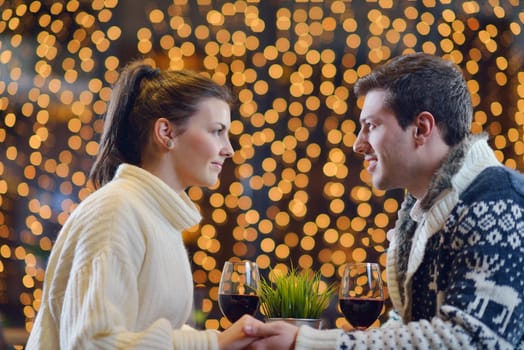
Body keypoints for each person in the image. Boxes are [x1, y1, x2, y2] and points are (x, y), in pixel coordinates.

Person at [244, 52, 524, 349]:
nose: (357, 143)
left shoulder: (499, 203)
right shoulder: (426, 213)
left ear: (421, 128)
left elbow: (473, 340)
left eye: (371, 125)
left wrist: (312, 343)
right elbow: (410, 328)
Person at [26, 61, 262, 349]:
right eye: (216, 131)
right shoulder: (115, 212)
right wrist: (216, 344)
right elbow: (93, 343)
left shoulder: (156, 218)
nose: (228, 149)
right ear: (166, 133)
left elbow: (143, 332)